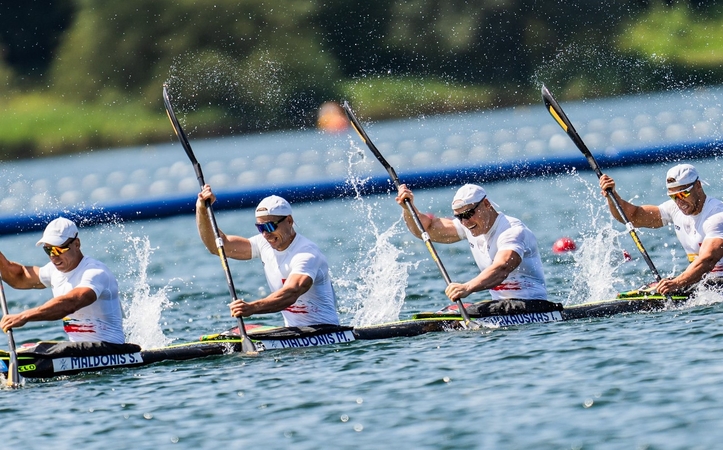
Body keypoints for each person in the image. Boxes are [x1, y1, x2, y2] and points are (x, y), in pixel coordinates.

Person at [196, 185, 339, 327]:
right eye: (260, 228)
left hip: (326, 332)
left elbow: (291, 293)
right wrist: (202, 209)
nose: (265, 234)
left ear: (289, 221)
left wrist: (252, 308)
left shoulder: (307, 254)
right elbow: (218, 247)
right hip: (296, 333)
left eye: (270, 226)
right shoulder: (262, 243)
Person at [396, 183, 551, 313]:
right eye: (459, 217)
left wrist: (467, 287)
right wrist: (408, 208)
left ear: (486, 204)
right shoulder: (469, 227)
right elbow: (426, 229)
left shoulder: (512, 231)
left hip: (532, 305)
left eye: (469, 213)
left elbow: (501, 268)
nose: (465, 221)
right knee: (447, 311)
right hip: (501, 306)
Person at [599, 163, 723, 295]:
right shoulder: (674, 208)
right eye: (673, 196)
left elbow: (708, 259)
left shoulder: (717, 216)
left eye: (683, 194)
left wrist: (677, 283)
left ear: (698, 186)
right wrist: (612, 196)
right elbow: (632, 217)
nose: (679, 201)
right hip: (701, 281)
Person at [0, 217, 125, 344]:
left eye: (58, 249)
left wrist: (24, 316)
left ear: (77, 244)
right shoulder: (53, 271)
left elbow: (70, 303)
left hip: (110, 347)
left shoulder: (95, 273)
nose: (53, 256)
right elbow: (18, 276)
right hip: (78, 348)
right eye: (48, 249)